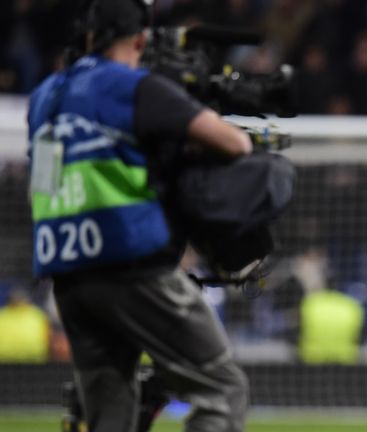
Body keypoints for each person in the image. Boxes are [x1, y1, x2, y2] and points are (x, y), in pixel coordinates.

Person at [27, 1, 250, 431]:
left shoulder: (45, 96)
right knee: (221, 387)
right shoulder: (133, 87)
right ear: (140, 40)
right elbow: (233, 143)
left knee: (109, 413)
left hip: (68, 276)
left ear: (90, 37)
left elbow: (43, 184)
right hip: (131, 266)